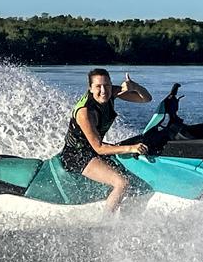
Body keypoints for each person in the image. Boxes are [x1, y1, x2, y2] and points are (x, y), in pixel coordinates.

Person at [60, 68, 152, 212]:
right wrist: (131, 148)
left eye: (107, 85)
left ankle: (129, 212)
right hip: (77, 155)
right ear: (90, 89)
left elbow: (146, 99)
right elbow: (99, 148)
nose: (103, 90)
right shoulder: (84, 112)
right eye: (98, 86)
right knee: (122, 183)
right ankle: (105, 223)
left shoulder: (111, 93)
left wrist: (135, 87)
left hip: (96, 150)